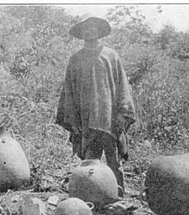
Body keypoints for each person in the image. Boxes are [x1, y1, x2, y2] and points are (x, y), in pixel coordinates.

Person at [56, 16, 136, 197]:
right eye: (86, 29)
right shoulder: (75, 59)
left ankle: (119, 197)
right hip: (86, 121)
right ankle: (93, 199)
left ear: (99, 31)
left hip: (109, 120)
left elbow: (122, 85)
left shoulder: (111, 56)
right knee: (89, 164)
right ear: (81, 33)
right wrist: (73, 120)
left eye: (93, 28)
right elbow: (68, 91)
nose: (89, 31)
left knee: (114, 162)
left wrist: (122, 114)